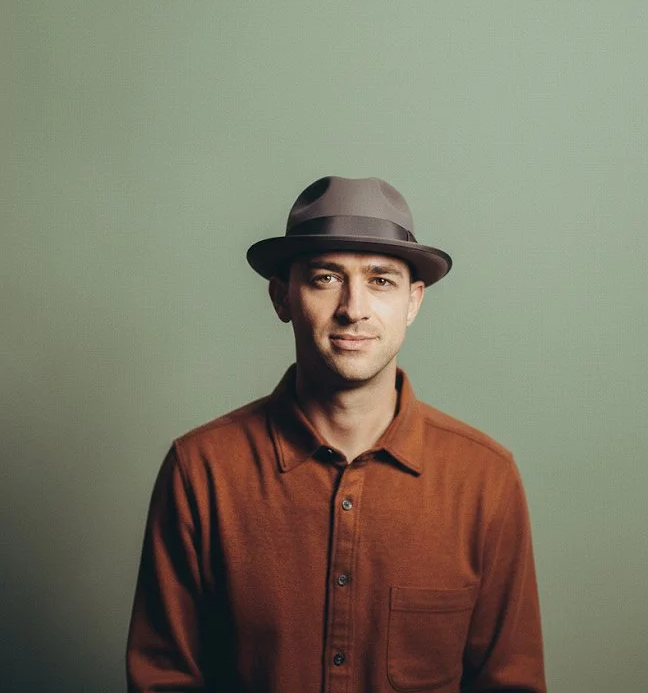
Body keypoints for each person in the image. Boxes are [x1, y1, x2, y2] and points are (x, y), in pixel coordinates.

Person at [126, 175, 546, 692]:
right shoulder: (202, 470)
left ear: (414, 302)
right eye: (326, 278)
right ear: (282, 298)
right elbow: (163, 680)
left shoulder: (484, 478)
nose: (354, 308)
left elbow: (511, 684)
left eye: (382, 280)